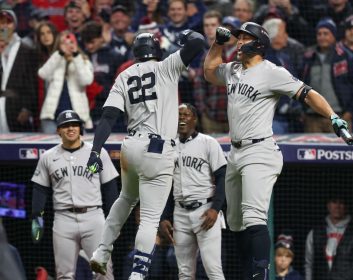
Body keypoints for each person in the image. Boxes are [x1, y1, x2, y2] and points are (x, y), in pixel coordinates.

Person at [203, 22, 351, 279]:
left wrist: (332, 116)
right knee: (235, 223)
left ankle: (261, 274)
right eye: (238, 38)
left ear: (258, 44)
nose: (238, 42)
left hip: (260, 151)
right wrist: (217, 44)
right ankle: (249, 271)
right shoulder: (233, 69)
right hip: (235, 153)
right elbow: (208, 72)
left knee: (253, 217)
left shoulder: (272, 72)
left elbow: (307, 93)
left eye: (244, 38)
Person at [86, 30, 206, 279]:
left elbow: (108, 117)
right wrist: (183, 34)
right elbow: (198, 42)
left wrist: (96, 150)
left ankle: (102, 250)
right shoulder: (167, 66)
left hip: (130, 147)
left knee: (125, 199)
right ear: (157, 50)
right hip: (158, 150)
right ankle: (138, 274)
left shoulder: (124, 75)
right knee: (150, 217)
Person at [30, 110, 119, 279]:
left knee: (104, 272)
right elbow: (40, 188)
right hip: (63, 219)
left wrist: (115, 219)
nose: (70, 128)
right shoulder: (48, 157)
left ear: (80, 128)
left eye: (74, 125)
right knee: (64, 274)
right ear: (58, 130)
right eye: (65, 126)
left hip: (93, 216)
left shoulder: (98, 152)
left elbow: (109, 187)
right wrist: (36, 216)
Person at [159, 103, 227, 279]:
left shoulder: (208, 143)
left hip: (205, 210)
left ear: (195, 120)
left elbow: (223, 177)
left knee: (213, 270)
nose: (182, 118)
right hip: (179, 213)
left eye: (186, 114)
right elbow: (165, 184)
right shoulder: (168, 146)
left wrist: (215, 208)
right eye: (179, 115)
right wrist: (164, 216)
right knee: (184, 272)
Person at [301, 18, 353, 133]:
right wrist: (302, 110)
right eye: (319, 34)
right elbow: (298, 83)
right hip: (312, 118)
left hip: (339, 117)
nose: (322, 37)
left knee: (340, 151)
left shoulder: (346, 57)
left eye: (326, 34)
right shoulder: (308, 58)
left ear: (333, 36)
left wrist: (351, 111)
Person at [38, 30, 94, 133]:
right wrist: (59, 54)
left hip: (77, 117)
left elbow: (86, 80)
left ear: (75, 44)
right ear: (59, 45)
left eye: (70, 42)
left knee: (80, 148)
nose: (68, 46)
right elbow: (42, 73)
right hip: (52, 116)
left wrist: (76, 56)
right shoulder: (55, 60)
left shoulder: (83, 61)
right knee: (51, 148)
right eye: (63, 43)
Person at [304, 195, 353, 280]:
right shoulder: (314, 233)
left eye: (341, 203)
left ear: (346, 207)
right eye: (334, 202)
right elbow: (309, 264)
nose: (337, 206)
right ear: (328, 206)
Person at [0, 9, 38, 133]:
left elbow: (32, 83)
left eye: (8, 22)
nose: (4, 26)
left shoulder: (26, 50)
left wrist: (27, 108)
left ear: (15, 25)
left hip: (16, 106)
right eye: (1, 22)